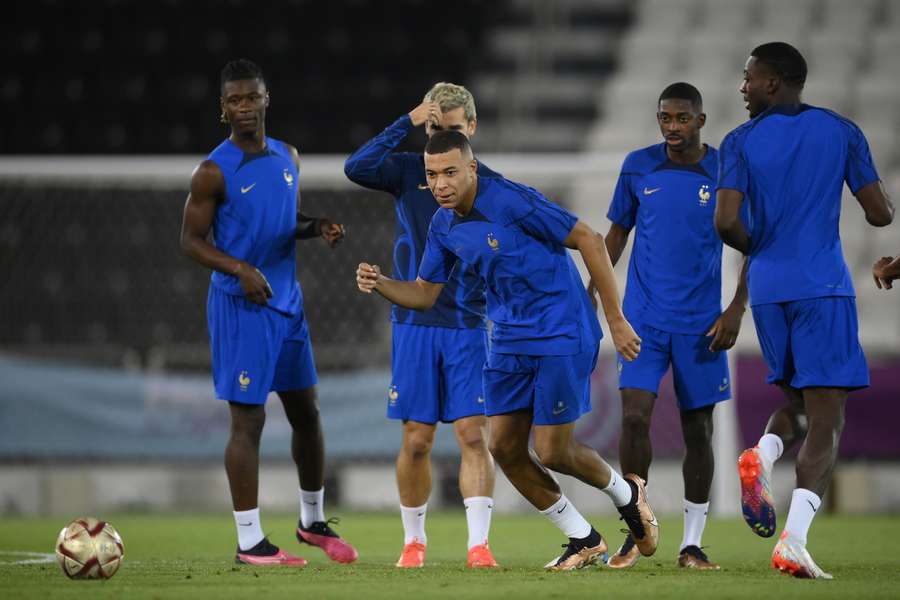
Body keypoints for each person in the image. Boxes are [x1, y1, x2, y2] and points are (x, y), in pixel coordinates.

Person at [356, 130, 658, 571]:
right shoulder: (442, 225)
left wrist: (615, 318)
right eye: (432, 174)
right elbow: (424, 292)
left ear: (472, 169)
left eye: (450, 172)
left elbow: (590, 240)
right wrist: (381, 283)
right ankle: (583, 538)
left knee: (554, 451)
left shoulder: (513, 201)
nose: (440, 184)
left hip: (559, 329)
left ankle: (628, 496)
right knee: (504, 447)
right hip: (507, 338)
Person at [715, 42, 894, 579]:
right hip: (822, 287)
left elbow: (726, 223)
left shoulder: (738, 141)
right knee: (827, 419)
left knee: (796, 404)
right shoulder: (841, 131)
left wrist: (762, 248)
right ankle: (793, 540)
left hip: (768, 291)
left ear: (773, 83)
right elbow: (881, 214)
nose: (743, 88)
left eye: (749, 79)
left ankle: (764, 454)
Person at [180, 59, 357, 566]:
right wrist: (239, 269)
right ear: (223, 108)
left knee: (307, 413)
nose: (243, 107)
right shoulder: (213, 170)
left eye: (251, 97)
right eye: (233, 100)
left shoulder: (287, 157)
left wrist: (317, 225)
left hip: (287, 305)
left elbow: (286, 220)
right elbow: (189, 240)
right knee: (249, 421)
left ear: (266, 99)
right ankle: (250, 541)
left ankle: (311, 520)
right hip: (243, 307)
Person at [344, 83, 499, 568]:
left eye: (452, 130)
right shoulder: (409, 171)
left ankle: (478, 546)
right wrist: (407, 120)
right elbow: (356, 166)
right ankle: (414, 542)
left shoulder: (490, 184)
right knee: (417, 437)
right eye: (434, 129)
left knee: (473, 435)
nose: (441, 141)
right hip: (413, 321)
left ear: (471, 130)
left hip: (466, 323)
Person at [602, 82, 747, 571]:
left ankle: (692, 543)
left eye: (682, 118)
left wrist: (736, 309)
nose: (672, 127)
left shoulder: (725, 167)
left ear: (701, 121)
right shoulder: (638, 166)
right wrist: (594, 297)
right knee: (635, 417)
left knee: (698, 429)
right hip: (643, 319)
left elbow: (755, 242)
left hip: (702, 324)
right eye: (665, 118)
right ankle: (635, 527)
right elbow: (616, 235)